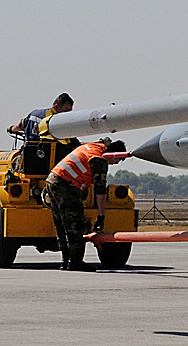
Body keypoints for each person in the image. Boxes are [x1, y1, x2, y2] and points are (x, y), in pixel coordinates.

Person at [44, 138, 126, 271]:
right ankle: (75, 262)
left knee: (61, 224)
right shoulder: (99, 160)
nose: (115, 163)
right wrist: (101, 216)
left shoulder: (92, 146)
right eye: (117, 160)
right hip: (66, 185)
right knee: (75, 225)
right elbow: (100, 192)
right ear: (114, 155)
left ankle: (65, 261)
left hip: (53, 181)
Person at [8, 93, 73, 141]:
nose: (68, 113)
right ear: (56, 107)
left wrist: (11, 129)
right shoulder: (60, 123)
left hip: (27, 155)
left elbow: (18, 126)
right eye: (66, 110)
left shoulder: (34, 114)